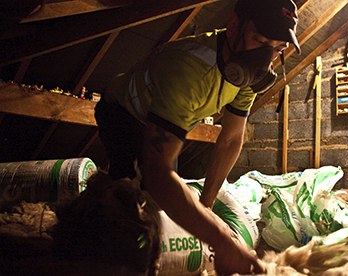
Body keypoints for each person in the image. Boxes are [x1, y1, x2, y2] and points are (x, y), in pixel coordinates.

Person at [94, 0, 300, 274]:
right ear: (234, 25)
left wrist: (207, 205)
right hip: (122, 113)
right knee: (132, 201)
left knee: (169, 208)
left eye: (277, 49)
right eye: (260, 40)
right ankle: (91, 241)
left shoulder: (247, 75)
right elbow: (158, 175)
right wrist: (222, 242)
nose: (266, 58)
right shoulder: (189, 68)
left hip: (160, 122)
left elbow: (230, 138)